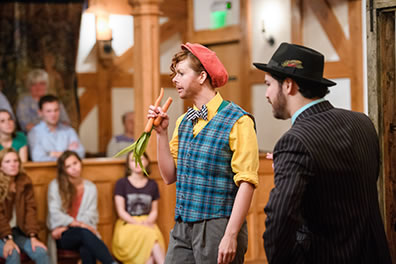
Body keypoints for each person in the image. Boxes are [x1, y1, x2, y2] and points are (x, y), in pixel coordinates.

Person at [253, 42, 392, 264]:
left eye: (269, 84)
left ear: (288, 85)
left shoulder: (293, 141)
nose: (267, 94)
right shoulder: (362, 123)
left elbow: (281, 220)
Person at [148, 43, 259, 264]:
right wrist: (161, 133)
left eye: (181, 73)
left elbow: (247, 182)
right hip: (183, 226)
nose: (174, 80)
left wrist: (230, 234)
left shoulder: (239, 121)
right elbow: (169, 176)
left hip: (218, 225)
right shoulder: (183, 122)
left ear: (201, 77)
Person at [47, 150, 117, 264]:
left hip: (83, 232)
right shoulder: (55, 186)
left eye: (75, 163)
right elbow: (55, 213)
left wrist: (76, 226)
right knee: (84, 234)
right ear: (63, 170)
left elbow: (92, 215)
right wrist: (78, 225)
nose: (74, 168)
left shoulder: (90, 187)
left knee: (87, 247)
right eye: (68, 166)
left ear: (80, 162)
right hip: (62, 235)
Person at [112, 152, 165, 264]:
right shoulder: (121, 183)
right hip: (128, 224)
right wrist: (137, 223)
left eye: (141, 159)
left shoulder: (153, 184)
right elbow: (121, 211)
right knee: (151, 237)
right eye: (133, 160)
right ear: (128, 164)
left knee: (150, 255)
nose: (137, 163)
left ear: (146, 162)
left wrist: (147, 222)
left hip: (147, 222)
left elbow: (154, 210)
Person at [0, 148, 50, 264]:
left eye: (15, 161)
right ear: (0, 166)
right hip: (2, 233)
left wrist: (33, 236)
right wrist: (8, 239)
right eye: (7, 162)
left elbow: (30, 210)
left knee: (40, 251)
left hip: (16, 232)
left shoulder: (24, 182)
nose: (13, 164)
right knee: (13, 253)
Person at [28, 95, 84, 162]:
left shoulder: (69, 131)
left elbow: (80, 153)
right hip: (46, 172)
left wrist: (50, 154)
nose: (53, 114)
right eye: (49, 111)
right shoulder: (34, 133)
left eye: (56, 110)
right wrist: (67, 153)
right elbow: (38, 158)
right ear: (40, 113)